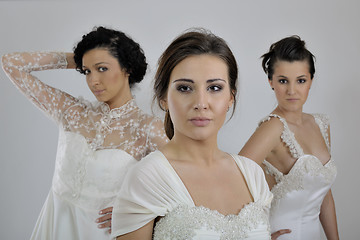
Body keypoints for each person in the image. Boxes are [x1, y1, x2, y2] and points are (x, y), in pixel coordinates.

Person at [1, 26, 168, 240]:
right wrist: (78, 59)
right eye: (87, 71)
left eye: (102, 69)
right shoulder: (71, 112)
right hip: (52, 227)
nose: (93, 80)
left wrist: (144, 210)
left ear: (128, 68)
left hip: (103, 233)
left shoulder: (148, 128)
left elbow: (186, 182)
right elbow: (11, 63)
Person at [110, 29, 273, 240]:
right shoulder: (147, 177)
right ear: (164, 98)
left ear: (231, 97)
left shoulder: (254, 175)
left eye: (214, 88)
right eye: (185, 88)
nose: (201, 103)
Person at [239, 36, 339, 240]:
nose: (292, 91)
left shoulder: (321, 124)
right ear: (271, 82)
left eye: (300, 80)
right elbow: (232, 179)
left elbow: (324, 194)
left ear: (311, 80)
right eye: (283, 81)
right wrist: (256, 234)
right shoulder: (273, 128)